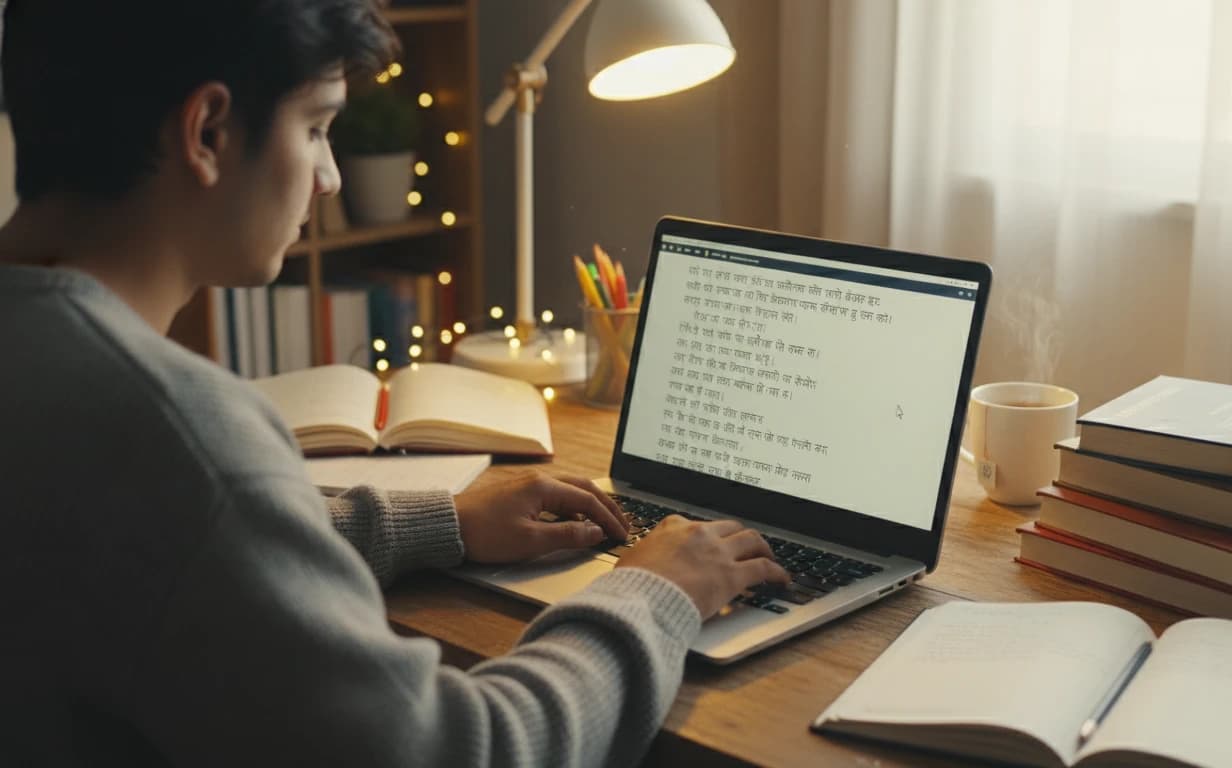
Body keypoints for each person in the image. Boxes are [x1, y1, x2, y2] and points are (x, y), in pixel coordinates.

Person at [0, 1, 789, 765]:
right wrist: (655, 592)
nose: (330, 178)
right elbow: (471, 752)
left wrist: (438, 523)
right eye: (315, 128)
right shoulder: (182, 436)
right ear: (208, 132)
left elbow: (162, 541)